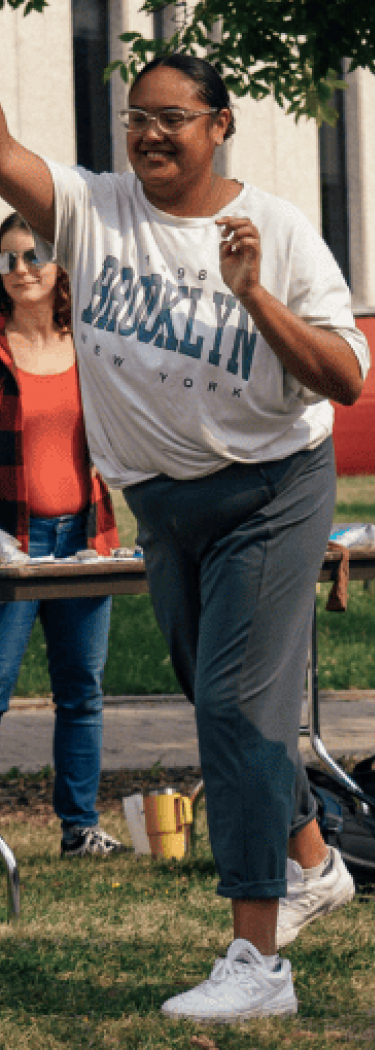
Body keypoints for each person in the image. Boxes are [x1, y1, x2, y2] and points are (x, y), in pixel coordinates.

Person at [0, 53, 367, 1023]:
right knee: (224, 697)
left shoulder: (279, 231)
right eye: (136, 117)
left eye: (172, 117)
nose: (150, 134)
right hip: (167, 510)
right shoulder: (93, 211)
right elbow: (2, 153)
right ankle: (315, 862)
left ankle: (259, 961)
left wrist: (253, 294)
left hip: (269, 493)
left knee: (234, 714)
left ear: (221, 123)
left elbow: (347, 378)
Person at [0, 211, 123, 858]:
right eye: (8, 260)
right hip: (9, 547)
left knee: (81, 692)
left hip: (83, 539)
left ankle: (80, 828)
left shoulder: (91, 346)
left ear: (59, 268)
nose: (20, 270)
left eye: (32, 256)